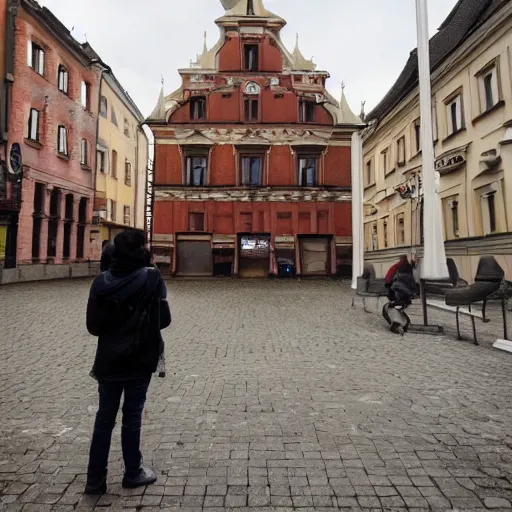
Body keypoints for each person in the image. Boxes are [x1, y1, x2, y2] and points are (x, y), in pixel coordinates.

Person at [85, 230, 171, 495]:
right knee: (132, 417)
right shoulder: (152, 277)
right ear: (141, 251)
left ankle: (95, 480)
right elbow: (164, 319)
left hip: (109, 359)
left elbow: (93, 327)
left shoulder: (100, 282)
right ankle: (132, 472)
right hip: (140, 357)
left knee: (103, 419)